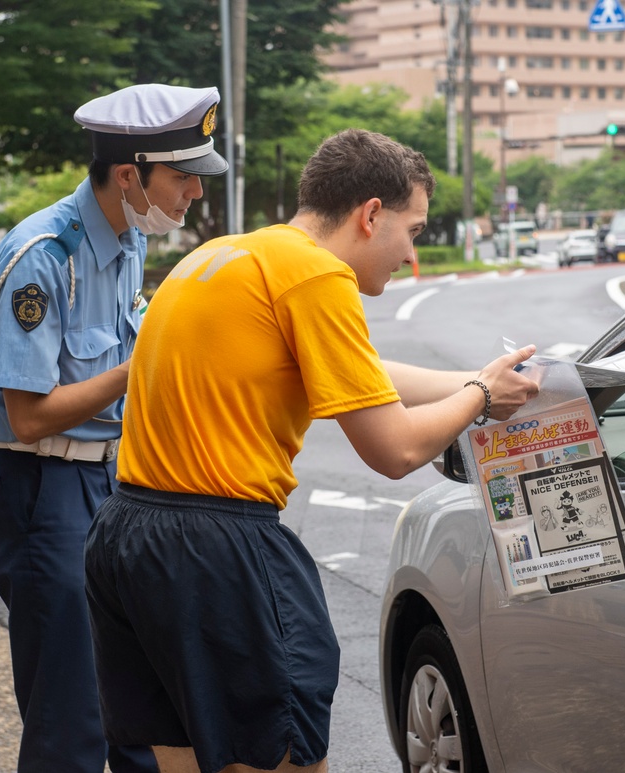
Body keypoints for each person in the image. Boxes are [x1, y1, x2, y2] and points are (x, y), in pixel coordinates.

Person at [83, 128, 540, 773]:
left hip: (128, 534)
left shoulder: (229, 257)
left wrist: (486, 379)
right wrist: (480, 396)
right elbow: (395, 450)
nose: (411, 255)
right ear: (370, 214)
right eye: (413, 231)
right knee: (285, 757)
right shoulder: (318, 275)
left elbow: (361, 372)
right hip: (218, 546)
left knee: (180, 757)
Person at [0, 83, 229, 772]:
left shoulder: (125, 241)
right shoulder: (42, 258)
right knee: (72, 719)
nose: (193, 195)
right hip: (41, 487)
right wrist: (138, 368)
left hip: (109, 480)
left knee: (137, 706)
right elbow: (28, 413)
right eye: (182, 178)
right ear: (129, 176)